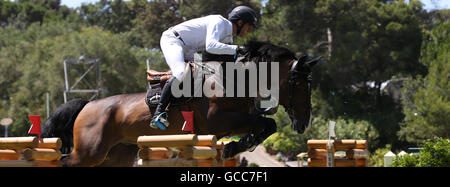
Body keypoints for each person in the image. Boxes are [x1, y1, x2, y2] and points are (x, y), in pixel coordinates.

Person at [150, 6, 258, 130]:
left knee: (203, 74)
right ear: (240, 22)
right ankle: (158, 113)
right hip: (173, 40)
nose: (249, 31)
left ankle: (188, 114)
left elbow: (225, 60)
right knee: (180, 73)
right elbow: (211, 46)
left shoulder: (228, 38)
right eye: (249, 27)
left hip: (189, 49)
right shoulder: (219, 22)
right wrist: (238, 49)